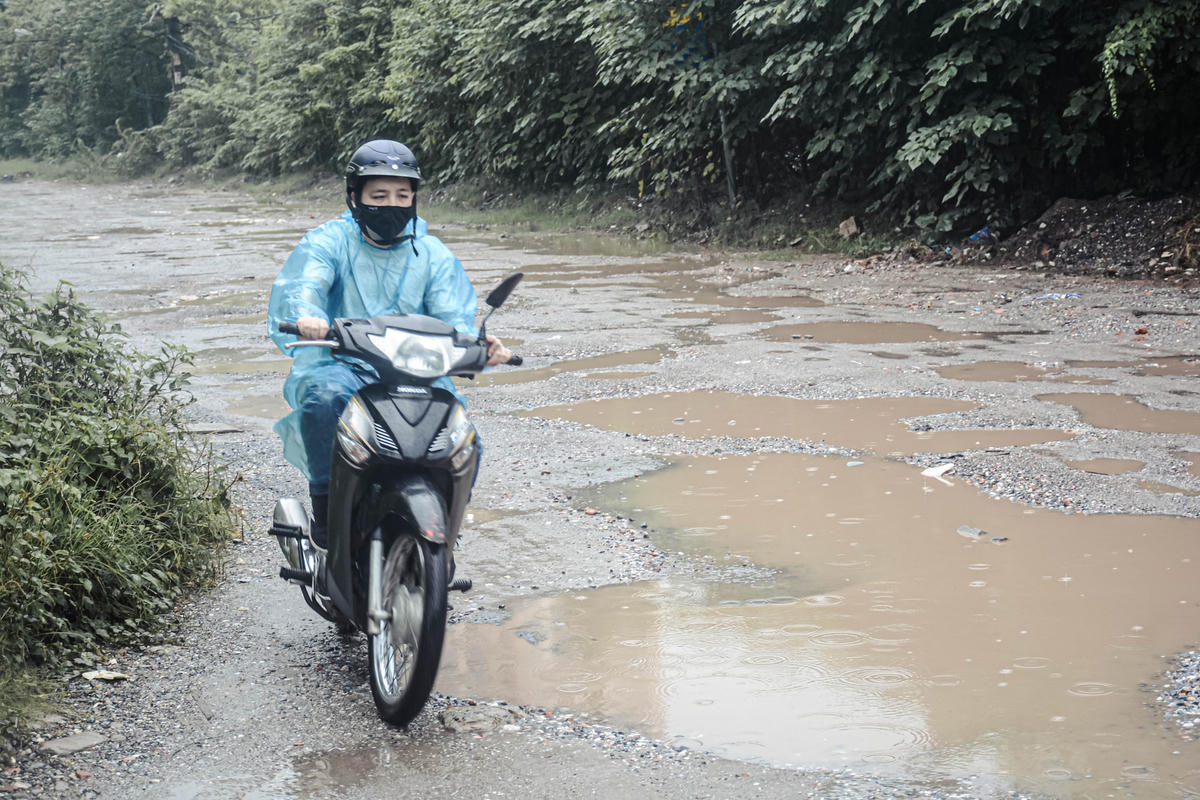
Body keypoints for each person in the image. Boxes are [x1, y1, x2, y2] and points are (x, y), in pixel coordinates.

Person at [266, 138, 509, 549]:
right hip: (341, 362)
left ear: (415, 198)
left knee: (465, 441)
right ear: (355, 197)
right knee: (323, 401)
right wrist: (309, 315)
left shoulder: (431, 254)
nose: (392, 204)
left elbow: (453, 314)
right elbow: (306, 283)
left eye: (403, 194)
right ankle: (326, 513)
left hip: (416, 367)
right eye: (379, 195)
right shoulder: (329, 242)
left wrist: (478, 345)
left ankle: (442, 538)